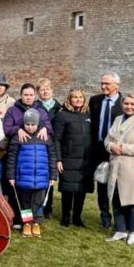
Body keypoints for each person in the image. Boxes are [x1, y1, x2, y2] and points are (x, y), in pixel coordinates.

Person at [104, 92, 134, 246]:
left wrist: (124, 148)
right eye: (126, 104)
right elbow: (108, 139)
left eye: (133, 104)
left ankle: (133, 232)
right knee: (117, 199)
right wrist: (111, 146)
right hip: (116, 167)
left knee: (132, 202)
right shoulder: (118, 119)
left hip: (133, 169)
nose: (129, 107)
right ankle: (120, 229)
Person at [5, 108, 57, 238]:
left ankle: (36, 223)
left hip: (41, 178)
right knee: (25, 202)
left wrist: (52, 175)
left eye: (33, 124)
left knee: (39, 201)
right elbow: (11, 158)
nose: (30, 127)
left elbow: (52, 157)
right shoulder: (18, 138)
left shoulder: (46, 138)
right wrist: (11, 176)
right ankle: (27, 223)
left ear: (38, 123)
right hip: (23, 177)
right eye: (27, 124)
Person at [53, 89, 94, 227]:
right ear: (69, 99)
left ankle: (77, 217)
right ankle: (65, 217)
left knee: (81, 190)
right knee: (68, 190)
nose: (78, 100)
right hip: (68, 158)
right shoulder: (62, 116)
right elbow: (56, 139)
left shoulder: (88, 115)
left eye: (80, 97)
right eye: (75, 97)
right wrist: (58, 159)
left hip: (85, 160)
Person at [89, 72, 123, 229]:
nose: (103, 86)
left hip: (117, 150)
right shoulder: (95, 101)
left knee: (117, 185)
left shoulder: (125, 104)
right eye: (102, 83)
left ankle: (119, 218)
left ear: (117, 85)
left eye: (107, 84)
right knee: (102, 183)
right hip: (98, 149)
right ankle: (105, 216)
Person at [36, 78, 62, 219]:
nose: (45, 92)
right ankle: (38, 206)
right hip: (38, 144)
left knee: (50, 178)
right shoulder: (35, 106)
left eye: (47, 89)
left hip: (52, 144)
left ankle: (48, 207)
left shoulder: (59, 108)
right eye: (42, 89)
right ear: (38, 92)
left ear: (52, 90)